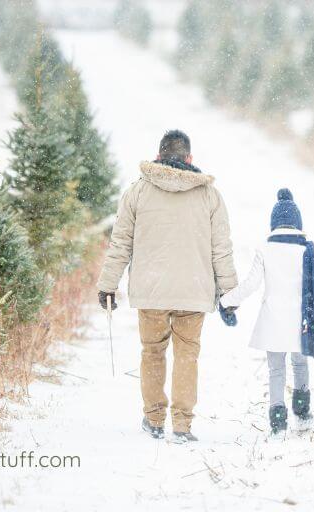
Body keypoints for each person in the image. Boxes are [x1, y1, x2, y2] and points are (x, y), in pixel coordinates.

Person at [96, 130, 238, 443]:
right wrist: (229, 291)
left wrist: (108, 285)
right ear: (189, 158)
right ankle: (183, 425)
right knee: (187, 356)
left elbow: (120, 242)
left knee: (152, 353)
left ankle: (154, 418)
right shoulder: (209, 196)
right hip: (193, 291)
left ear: (159, 156)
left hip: (151, 292)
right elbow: (221, 249)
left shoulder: (138, 192)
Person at [220, 189, 314, 437]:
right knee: (300, 364)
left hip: (273, 321)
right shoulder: (307, 250)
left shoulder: (265, 249)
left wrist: (227, 301)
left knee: (276, 370)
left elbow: (250, 284)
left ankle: (278, 420)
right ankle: (302, 413)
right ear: (298, 223)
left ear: (274, 223)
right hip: (301, 321)